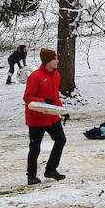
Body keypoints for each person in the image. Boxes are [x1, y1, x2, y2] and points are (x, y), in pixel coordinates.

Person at [23, 48, 67, 184]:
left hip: (52, 116)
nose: (57, 61)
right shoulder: (35, 77)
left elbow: (55, 97)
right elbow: (27, 97)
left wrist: (62, 111)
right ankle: (31, 176)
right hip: (36, 119)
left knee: (61, 140)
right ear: (48, 61)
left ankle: (51, 170)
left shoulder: (56, 75)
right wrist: (43, 101)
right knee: (35, 147)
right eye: (55, 59)